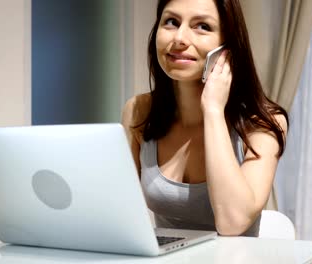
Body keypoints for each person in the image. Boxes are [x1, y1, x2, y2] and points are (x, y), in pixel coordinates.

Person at [122, 0, 288, 236]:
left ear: (227, 46)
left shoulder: (264, 123)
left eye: (202, 26)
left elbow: (232, 223)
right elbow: (121, 210)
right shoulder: (138, 111)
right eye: (171, 22)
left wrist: (213, 110)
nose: (179, 38)